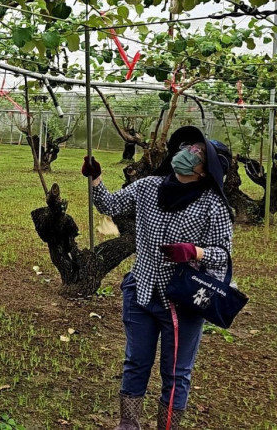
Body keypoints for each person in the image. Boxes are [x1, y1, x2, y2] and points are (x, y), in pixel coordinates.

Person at [81, 126, 234, 430]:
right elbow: (109, 206)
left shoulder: (213, 205)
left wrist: (195, 253)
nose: (188, 153)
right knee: (135, 362)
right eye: (189, 147)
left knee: (176, 372)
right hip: (141, 290)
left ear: (205, 171)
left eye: (198, 153)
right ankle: (128, 425)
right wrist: (95, 178)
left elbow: (223, 255)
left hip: (182, 299)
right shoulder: (149, 186)